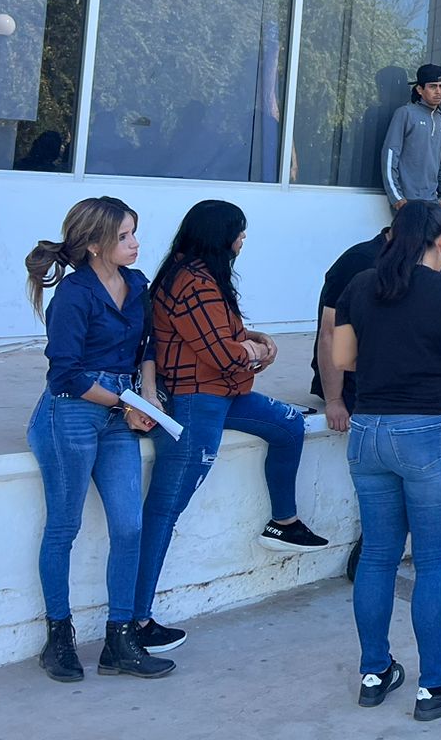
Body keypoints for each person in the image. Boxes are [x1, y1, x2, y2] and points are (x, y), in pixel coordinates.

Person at [134, 201, 327, 652]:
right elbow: (222, 354)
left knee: (288, 424)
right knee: (163, 511)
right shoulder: (193, 282)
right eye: (239, 233)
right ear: (220, 236)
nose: (243, 241)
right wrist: (254, 353)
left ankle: (284, 521)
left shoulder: (199, 274)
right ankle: (135, 620)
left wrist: (251, 340)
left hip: (222, 392)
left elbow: (221, 336)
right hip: (196, 400)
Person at [333, 201, 441, 721]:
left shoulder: (360, 285)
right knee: (435, 563)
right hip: (430, 433)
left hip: (369, 431)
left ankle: (374, 673)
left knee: (378, 555)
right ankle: (435, 686)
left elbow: (342, 360)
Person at [25, 197, 173, 681]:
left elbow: (147, 346)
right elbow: (64, 375)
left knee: (129, 528)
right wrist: (123, 404)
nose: (136, 243)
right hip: (71, 411)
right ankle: (58, 637)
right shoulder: (74, 295)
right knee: (63, 528)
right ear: (94, 245)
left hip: (118, 411)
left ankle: (120, 640)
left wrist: (146, 400)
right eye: (125, 236)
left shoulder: (136, 284)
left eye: (135, 232)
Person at [312, 227, 441, 581]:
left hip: (377, 421)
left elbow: (346, 354)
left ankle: (437, 503)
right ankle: (428, 506)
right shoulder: (363, 266)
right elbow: (330, 338)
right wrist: (333, 399)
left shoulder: (371, 279)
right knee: (435, 566)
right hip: (382, 398)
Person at [381, 62, 441, 212]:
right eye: (433, 86)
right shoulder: (405, 114)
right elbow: (390, 156)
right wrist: (397, 198)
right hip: (407, 202)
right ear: (420, 89)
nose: (438, 91)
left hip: (433, 204)